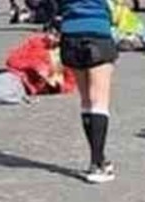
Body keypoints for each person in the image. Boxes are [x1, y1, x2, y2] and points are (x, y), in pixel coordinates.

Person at [58, 0, 118, 183]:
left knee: (86, 100)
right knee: (99, 101)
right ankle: (96, 164)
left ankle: (100, 159)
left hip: (70, 33)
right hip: (97, 30)